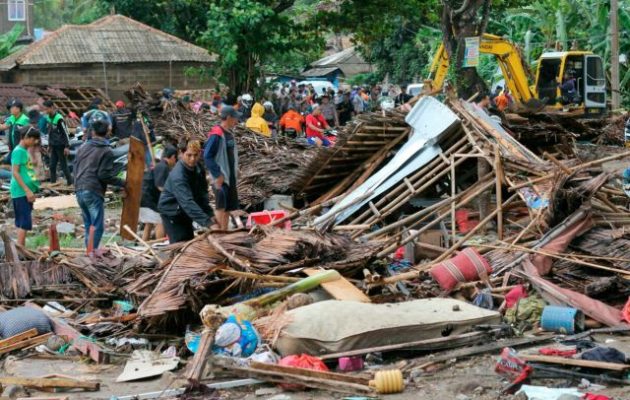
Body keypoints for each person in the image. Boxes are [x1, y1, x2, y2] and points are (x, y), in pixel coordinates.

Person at [74, 120, 125, 250]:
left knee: (88, 225)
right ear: (108, 132)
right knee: (97, 226)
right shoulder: (106, 151)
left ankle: (89, 253)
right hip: (92, 190)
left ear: (93, 132)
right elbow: (104, 175)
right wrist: (122, 183)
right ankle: (91, 254)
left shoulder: (82, 147)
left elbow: (75, 168)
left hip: (79, 188)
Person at [159, 140, 213, 243]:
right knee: (180, 244)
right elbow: (187, 202)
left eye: (195, 155)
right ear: (181, 153)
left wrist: (210, 215)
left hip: (184, 211)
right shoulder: (178, 175)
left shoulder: (198, 168)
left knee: (188, 241)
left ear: (200, 153)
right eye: (189, 155)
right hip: (172, 211)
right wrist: (208, 222)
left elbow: (202, 195)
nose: (192, 159)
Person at [204, 106, 240, 231]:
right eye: (235, 118)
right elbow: (207, 156)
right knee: (221, 207)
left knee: (228, 207)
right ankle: (219, 235)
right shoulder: (216, 135)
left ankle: (224, 232)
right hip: (221, 178)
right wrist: (217, 174)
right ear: (229, 117)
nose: (237, 121)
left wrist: (236, 170)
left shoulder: (229, 134)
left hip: (230, 177)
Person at [10, 126, 40, 247]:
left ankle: (20, 249)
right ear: (26, 138)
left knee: (22, 222)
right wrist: (27, 190)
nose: (35, 142)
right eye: (33, 139)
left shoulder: (23, 151)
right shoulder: (18, 151)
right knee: (25, 222)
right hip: (21, 191)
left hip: (24, 191)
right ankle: (20, 250)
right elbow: (15, 172)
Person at [140, 145, 177, 241]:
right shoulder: (163, 166)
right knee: (161, 220)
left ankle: (144, 244)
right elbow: (160, 186)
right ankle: (159, 245)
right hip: (148, 199)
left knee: (149, 223)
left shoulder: (160, 166)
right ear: (173, 157)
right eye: (175, 159)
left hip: (143, 198)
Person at [42, 100, 72, 185]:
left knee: (63, 166)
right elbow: (50, 132)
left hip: (61, 146)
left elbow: (66, 132)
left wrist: (67, 146)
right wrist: (49, 145)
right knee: (52, 166)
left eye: (47, 109)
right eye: (44, 109)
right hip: (53, 145)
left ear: (51, 107)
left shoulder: (59, 118)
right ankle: (53, 183)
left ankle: (70, 183)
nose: (45, 111)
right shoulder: (48, 118)